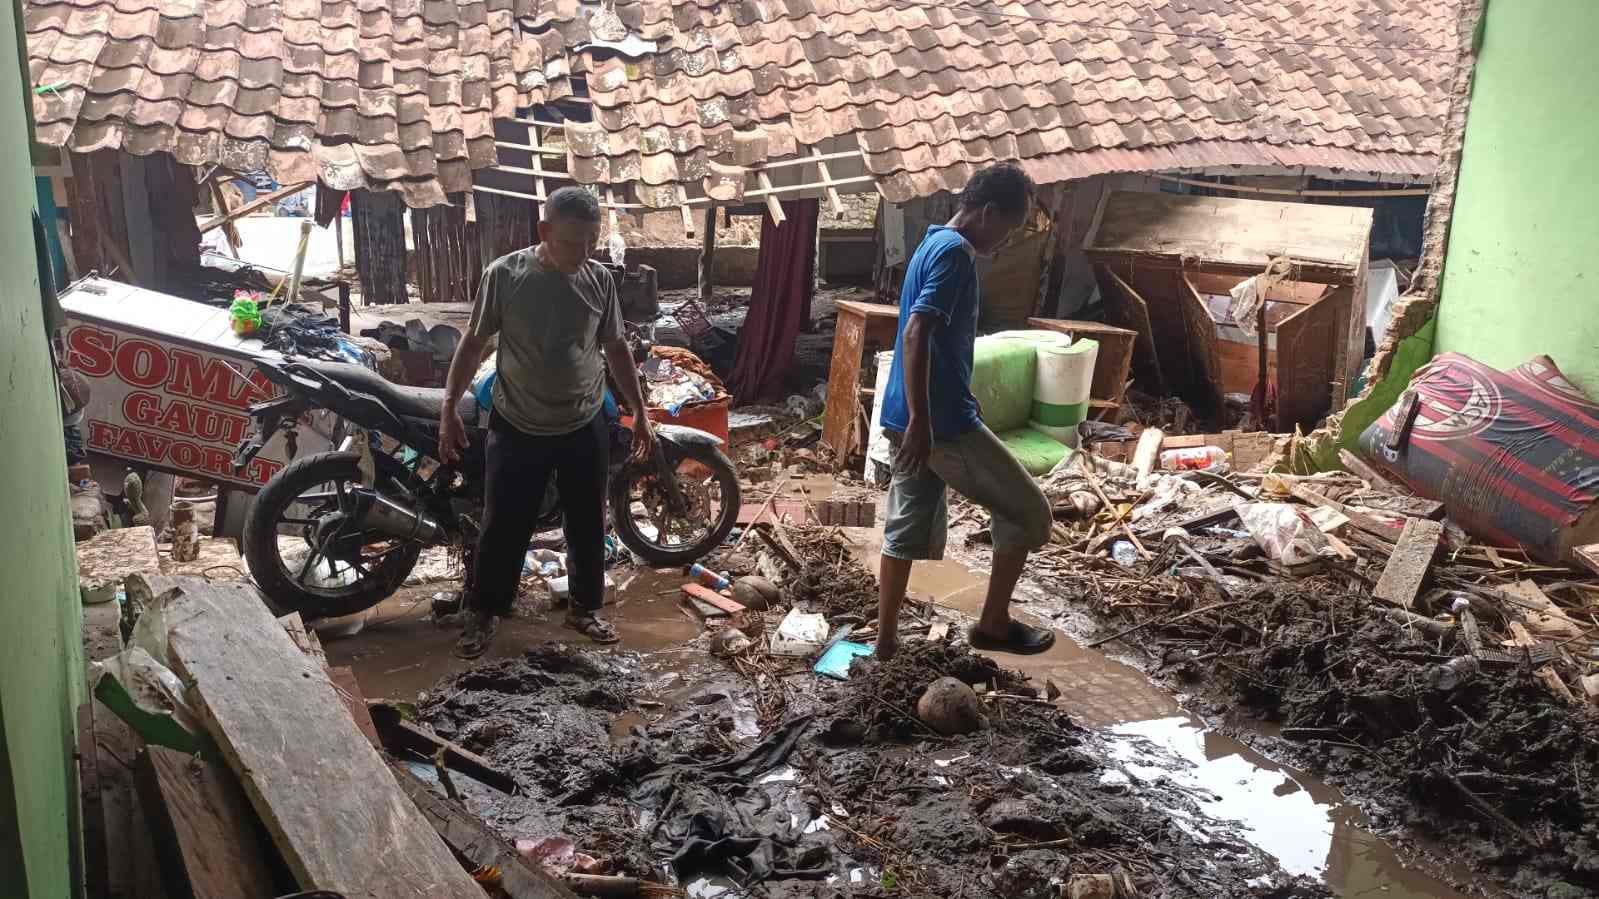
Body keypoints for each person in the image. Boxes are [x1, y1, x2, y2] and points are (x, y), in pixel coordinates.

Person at [438, 186, 654, 659]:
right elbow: (474, 343)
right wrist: (450, 404)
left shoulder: (599, 280)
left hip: (583, 421)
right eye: (573, 242)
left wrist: (639, 412)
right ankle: (486, 612)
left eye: (592, 242)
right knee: (504, 525)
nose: (584, 253)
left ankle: (584, 607)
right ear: (544, 231)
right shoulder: (506, 276)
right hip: (518, 421)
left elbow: (615, 348)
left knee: (586, 520)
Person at [875, 162, 1056, 660]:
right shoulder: (956, 255)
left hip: (902, 414)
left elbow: (931, 339)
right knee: (1029, 513)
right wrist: (924, 421)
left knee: (904, 526)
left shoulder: (932, 242)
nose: (1003, 244)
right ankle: (993, 623)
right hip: (940, 425)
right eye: (1008, 230)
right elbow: (916, 332)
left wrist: (913, 416)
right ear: (989, 212)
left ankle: (885, 643)